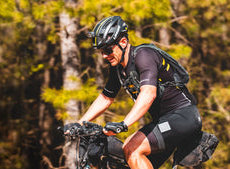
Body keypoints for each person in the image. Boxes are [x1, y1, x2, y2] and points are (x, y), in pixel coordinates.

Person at [64, 16, 202, 169]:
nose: (104, 55)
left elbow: (148, 93)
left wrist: (124, 124)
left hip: (183, 117)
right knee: (125, 159)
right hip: (163, 121)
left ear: (123, 42)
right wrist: (79, 123)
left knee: (132, 148)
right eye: (102, 51)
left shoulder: (144, 55)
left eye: (108, 49)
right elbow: (106, 97)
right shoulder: (117, 69)